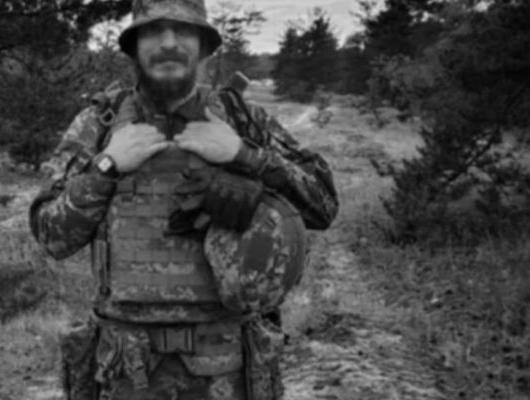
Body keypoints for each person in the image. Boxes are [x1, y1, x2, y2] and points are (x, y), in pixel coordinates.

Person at [28, 0, 338, 398]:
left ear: (204, 45)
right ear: (134, 47)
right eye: (154, 31)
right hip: (127, 371)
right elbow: (51, 236)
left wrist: (247, 156)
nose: (169, 43)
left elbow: (323, 204)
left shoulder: (241, 119)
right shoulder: (98, 125)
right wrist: (106, 167)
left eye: (183, 31)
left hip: (227, 370)